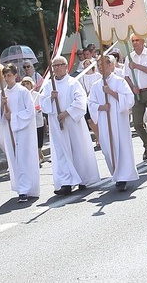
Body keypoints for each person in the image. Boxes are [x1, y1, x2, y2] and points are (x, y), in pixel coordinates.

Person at [40, 56, 100, 195]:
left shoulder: (73, 83)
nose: (57, 68)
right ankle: (66, 183)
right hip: (57, 124)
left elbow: (80, 101)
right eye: (54, 66)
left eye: (60, 65)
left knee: (77, 150)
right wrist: (51, 98)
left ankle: (82, 179)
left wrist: (66, 113)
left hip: (73, 123)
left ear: (66, 66)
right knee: (61, 152)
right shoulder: (49, 85)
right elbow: (43, 104)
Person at [88, 55, 138, 192]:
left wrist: (111, 92)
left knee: (121, 147)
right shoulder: (96, 85)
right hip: (105, 121)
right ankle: (115, 173)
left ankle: (123, 177)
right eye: (98, 65)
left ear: (111, 65)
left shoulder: (119, 82)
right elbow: (91, 103)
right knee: (107, 149)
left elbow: (129, 99)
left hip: (119, 121)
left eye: (102, 64)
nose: (99, 67)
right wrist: (101, 107)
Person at [0, 63, 40, 203]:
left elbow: (29, 112)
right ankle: (21, 188)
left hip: (23, 130)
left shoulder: (23, 91)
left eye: (9, 75)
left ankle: (26, 189)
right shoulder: (1, 94)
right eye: (5, 76)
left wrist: (13, 117)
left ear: (15, 76)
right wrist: (2, 107)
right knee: (14, 158)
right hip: (9, 130)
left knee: (23, 158)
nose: (7, 79)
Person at [124, 33, 147, 163]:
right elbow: (126, 76)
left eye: (137, 40)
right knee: (137, 123)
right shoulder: (129, 57)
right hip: (137, 93)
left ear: (143, 41)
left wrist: (137, 66)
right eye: (133, 41)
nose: (135, 43)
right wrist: (132, 87)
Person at [20, 77, 46, 167]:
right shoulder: (22, 96)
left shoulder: (37, 95)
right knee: (32, 140)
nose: (26, 86)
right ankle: (36, 157)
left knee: (39, 139)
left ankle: (39, 152)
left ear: (31, 85)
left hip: (38, 121)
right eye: (23, 84)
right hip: (28, 123)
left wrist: (38, 108)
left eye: (27, 84)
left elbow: (42, 105)